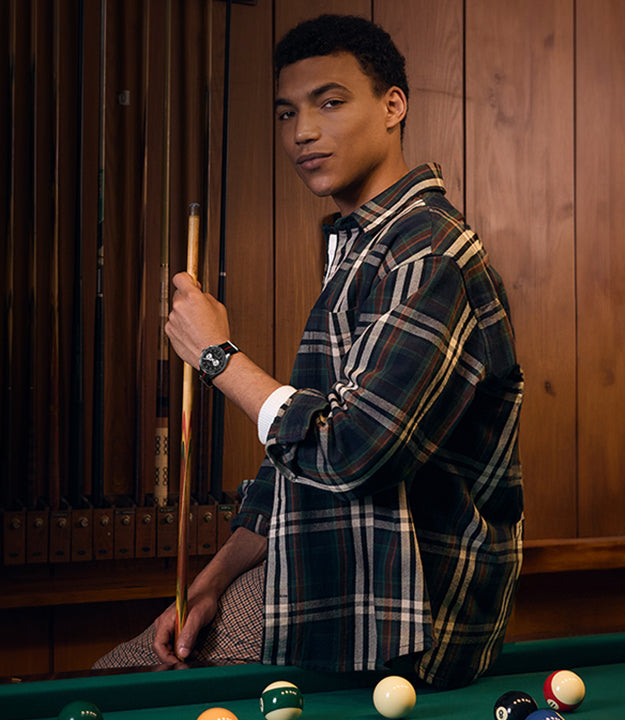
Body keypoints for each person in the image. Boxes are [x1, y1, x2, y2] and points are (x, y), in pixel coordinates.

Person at [94, 14, 524, 689]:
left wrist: (218, 358)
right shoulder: (361, 249)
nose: (301, 132)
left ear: (393, 106)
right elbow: (294, 469)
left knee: (114, 692)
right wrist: (207, 585)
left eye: (330, 101)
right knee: (124, 677)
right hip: (331, 579)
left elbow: (352, 454)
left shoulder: (427, 254)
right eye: (287, 111)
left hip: (400, 618)